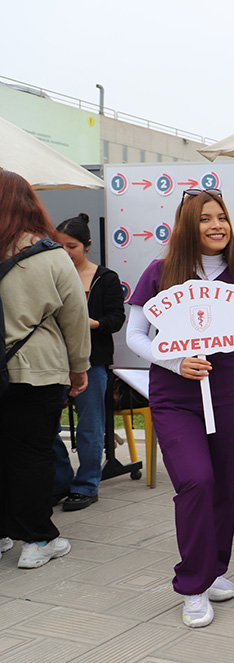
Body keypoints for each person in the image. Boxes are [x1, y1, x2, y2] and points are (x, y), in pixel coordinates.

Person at [126, 188, 234, 628]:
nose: (216, 225)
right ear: (189, 225)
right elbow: (135, 335)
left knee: (223, 487)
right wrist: (174, 360)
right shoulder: (160, 272)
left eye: (221, 217)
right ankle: (192, 585)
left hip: (229, 396)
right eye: (206, 218)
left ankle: (215, 569)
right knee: (196, 481)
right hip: (174, 398)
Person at [0, 171, 91, 569]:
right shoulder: (52, 255)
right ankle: (38, 540)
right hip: (39, 369)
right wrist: (80, 369)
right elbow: (75, 318)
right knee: (33, 455)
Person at [50, 213, 126, 511]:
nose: (66, 253)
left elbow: (116, 319)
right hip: (54, 360)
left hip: (92, 361)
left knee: (90, 427)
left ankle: (86, 485)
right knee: (46, 427)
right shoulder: (51, 274)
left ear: (87, 245)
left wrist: (91, 323)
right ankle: (61, 480)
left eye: (72, 246)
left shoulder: (105, 278)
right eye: (60, 246)